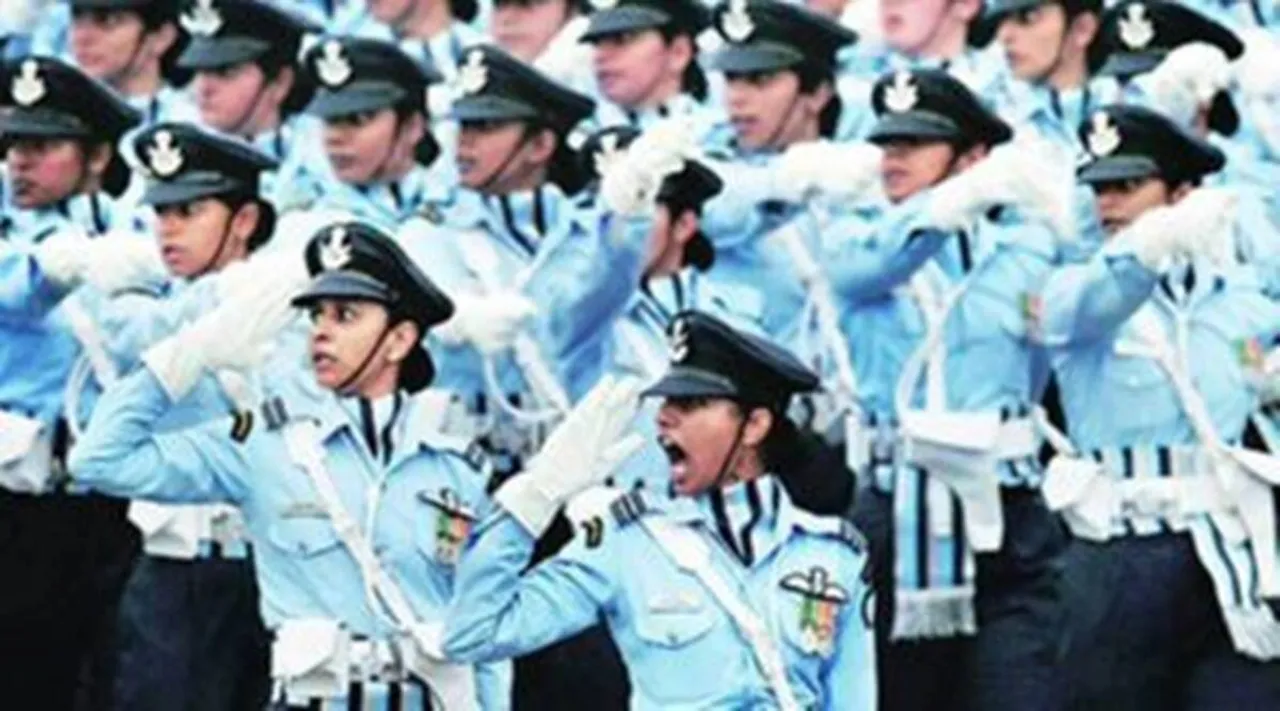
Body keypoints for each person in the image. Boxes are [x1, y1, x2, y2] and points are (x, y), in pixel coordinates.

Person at [68, 221, 512, 710]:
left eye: (345, 315)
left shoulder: (455, 466)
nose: (321, 331)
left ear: (400, 339)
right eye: (316, 314)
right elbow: (99, 460)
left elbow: (484, 626)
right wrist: (188, 354)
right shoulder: (266, 444)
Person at [444, 310, 878, 711]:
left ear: (755, 425)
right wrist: (536, 496)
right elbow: (473, 633)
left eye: (690, 405)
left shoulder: (834, 555)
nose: (664, 418)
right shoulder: (628, 542)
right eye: (667, 403)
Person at [842, 67, 1071, 711]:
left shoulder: (1025, 248)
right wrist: (942, 210)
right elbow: (872, 267)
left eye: (915, 145)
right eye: (887, 144)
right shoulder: (859, 237)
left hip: (1006, 507)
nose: (894, 159)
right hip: (896, 509)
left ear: (974, 159)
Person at [1042, 103, 1280, 709]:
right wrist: (1148, 245)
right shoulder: (1077, 291)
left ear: (1183, 194)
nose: (1108, 205)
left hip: (1229, 551)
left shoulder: (1243, 301)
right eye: (1098, 189)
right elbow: (1097, 300)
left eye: (1127, 187)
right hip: (1121, 556)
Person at [107, 121, 279, 711]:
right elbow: (138, 336)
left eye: (189, 211)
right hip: (178, 562)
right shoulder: (160, 309)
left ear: (246, 221)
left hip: (271, 561)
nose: (168, 229)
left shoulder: (283, 303)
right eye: (161, 212)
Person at [0, 53, 145, 710]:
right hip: (17, 502)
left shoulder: (138, 241)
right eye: (11, 144)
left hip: (111, 499)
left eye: (43, 145)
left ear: (96, 155)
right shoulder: (15, 244)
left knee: (113, 679)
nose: (19, 162)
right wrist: (52, 269)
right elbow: (17, 292)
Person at [296, 35, 453, 229]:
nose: (333, 137)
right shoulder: (308, 224)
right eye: (329, 121)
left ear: (413, 126)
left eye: (358, 119)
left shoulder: (456, 209)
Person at [176, 0, 321, 209]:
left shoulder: (321, 153)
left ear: (281, 82)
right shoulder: (183, 149)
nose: (204, 89)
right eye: (200, 72)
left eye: (225, 72)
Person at [577, 0, 720, 131]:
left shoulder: (717, 139)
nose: (600, 56)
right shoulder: (585, 135)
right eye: (596, 44)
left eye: (622, 40)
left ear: (678, 53)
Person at [67, 0, 196, 125]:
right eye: (77, 19)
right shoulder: (65, 115)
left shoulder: (190, 120)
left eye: (107, 21)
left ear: (161, 37)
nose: (82, 38)